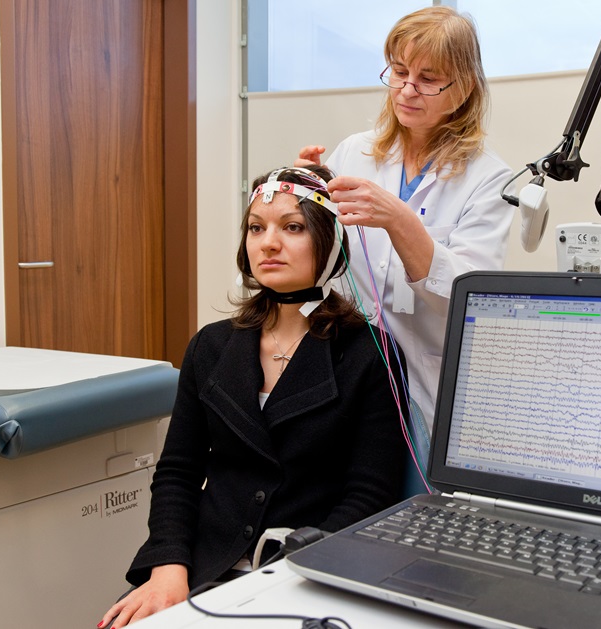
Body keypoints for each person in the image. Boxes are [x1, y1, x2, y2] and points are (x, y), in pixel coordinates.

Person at [98, 165, 408, 628]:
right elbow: (178, 472)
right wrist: (168, 567)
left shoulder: (370, 353)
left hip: (306, 568)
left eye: (293, 227)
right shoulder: (211, 346)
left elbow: (371, 495)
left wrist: (294, 570)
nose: (269, 243)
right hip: (203, 563)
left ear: (330, 243)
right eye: (257, 228)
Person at [297, 6, 514, 438]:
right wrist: (304, 195)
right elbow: (319, 258)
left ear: (464, 88)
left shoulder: (490, 179)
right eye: (399, 72)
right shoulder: (354, 152)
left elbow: (469, 298)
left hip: (424, 381)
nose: (407, 90)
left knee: (415, 475)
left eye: (428, 79)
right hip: (344, 369)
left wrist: (400, 220)